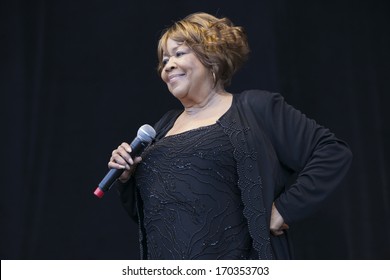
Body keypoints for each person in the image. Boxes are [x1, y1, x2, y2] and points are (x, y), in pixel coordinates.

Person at [108, 12, 352, 259]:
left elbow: (331, 152)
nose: (167, 66)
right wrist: (127, 178)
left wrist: (285, 210)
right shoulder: (161, 128)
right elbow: (153, 214)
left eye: (179, 54)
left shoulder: (255, 108)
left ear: (211, 57)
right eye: (164, 60)